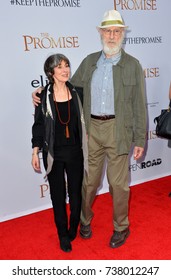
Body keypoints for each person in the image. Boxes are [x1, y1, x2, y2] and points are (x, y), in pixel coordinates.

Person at [32, 10, 147, 249]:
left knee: (118, 185)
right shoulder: (89, 61)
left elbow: (139, 104)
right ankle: (84, 221)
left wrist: (139, 139)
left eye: (116, 31)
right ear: (101, 33)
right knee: (88, 183)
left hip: (119, 130)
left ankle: (121, 227)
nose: (112, 35)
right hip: (91, 130)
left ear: (123, 34)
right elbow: (67, 86)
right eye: (108, 31)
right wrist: (42, 92)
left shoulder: (133, 65)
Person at [31, 53, 88, 253]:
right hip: (53, 154)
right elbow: (38, 125)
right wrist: (35, 151)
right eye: (60, 66)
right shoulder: (42, 95)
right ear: (50, 72)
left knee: (75, 195)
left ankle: (73, 227)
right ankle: (62, 234)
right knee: (57, 196)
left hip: (75, 152)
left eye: (67, 65)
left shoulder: (78, 93)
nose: (65, 70)